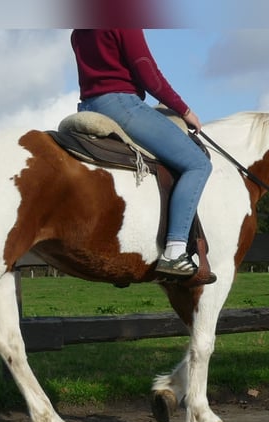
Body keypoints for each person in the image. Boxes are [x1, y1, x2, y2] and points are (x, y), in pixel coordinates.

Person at [70, 29, 216, 282]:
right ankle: (175, 251)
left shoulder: (79, 30)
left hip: (88, 105)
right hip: (121, 104)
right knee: (198, 164)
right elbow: (149, 75)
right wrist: (185, 110)